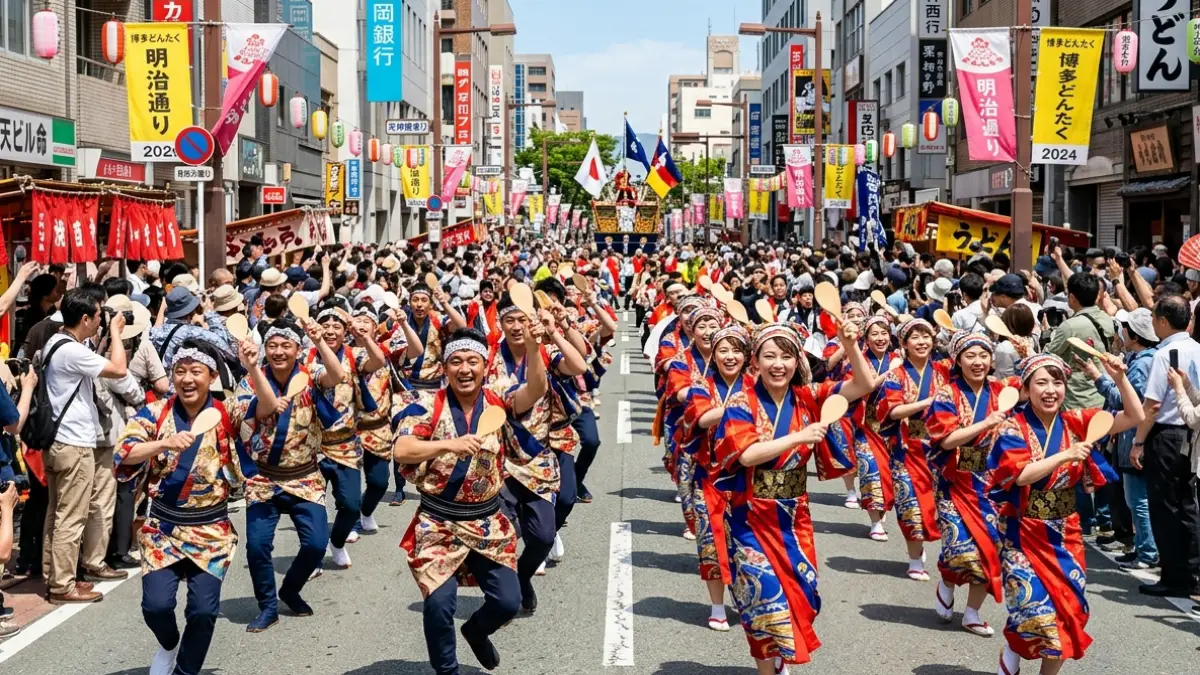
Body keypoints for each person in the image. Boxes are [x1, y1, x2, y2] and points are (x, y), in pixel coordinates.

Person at [713, 319, 875, 674]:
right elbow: (746, 455)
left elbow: (864, 384)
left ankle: (781, 660)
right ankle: (768, 669)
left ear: (797, 360)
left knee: (803, 598)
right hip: (749, 518)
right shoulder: (742, 401)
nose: (778, 364)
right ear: (755, 360)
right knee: (762, 599)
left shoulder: (809, 396)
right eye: (769, 356)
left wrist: (850, 345)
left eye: (786, 356)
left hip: (793, 518)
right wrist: (798, 437)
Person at [394, 329, 544, 675]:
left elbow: (535, 389)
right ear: (445, 368)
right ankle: (447, 670)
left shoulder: (498, 401)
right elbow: (402, 450)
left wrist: (535, 346)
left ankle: (476, 630)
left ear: (484, 365)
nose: (464, 369)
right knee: (439, 605)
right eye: (456, 361)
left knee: (509, 602)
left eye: (472, 361)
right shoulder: (425, 404)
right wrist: (448, 445)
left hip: (487, 521)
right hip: (437, 523)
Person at [988, 353, 1144, 675]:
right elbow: (1020, 475)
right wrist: (1066, 455)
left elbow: (1135, 415)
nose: (1050, 390)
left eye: (1057, 382)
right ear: (1026, 389)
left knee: (1067, 612)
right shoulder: (1011, 429)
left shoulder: (1075, 422)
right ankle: (1015, 647)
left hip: (1065, 534)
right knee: (1035, 610)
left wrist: (1119, 378)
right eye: (1041, 382)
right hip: (1022, 532)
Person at [115, 340, 259, 675]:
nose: (187, 378)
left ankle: (186, 670)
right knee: (156, 606)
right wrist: (162, 443)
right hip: (163, 527)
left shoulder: (226, 412)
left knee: (203, 611)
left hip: (211, 529)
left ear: (211, 377)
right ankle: (168, 644)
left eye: (196, 371)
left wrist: (252, 366)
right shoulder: (155, 413)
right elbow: (122, 454)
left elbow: (263, 410)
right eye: (180, 371)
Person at [238, 318, 342, 632]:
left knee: (315, 544)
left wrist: (319, 340)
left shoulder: (311, 375)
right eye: (272, 345)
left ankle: (291, 588)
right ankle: (268, 607)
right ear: (264, 349)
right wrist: (260, 383)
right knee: (257, 547)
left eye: (286, 345)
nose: (279, 351)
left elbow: (337, 375)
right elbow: (245, 417)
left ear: (298, 349)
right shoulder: (249, 380)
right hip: (264, 479)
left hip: (305, 476)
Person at [41, 286, 131, 604]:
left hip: (57, 442)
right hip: (74, 443)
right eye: (97, 316)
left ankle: (57, 577)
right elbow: (119, 370)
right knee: (71, 516)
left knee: (57, 514)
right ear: (84, 318)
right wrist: (118, 334)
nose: (100, 321)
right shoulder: (72, 350)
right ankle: (63, 585)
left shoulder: (57, 342)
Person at [924, 332, 1010, 637]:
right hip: (955, 481)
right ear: (958, 360)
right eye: (970, 356)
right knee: (960, 548)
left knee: (991, 549)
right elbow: (945, 439)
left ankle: (972, 613)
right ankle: (947, 580)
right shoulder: (947, 394)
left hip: (993, 482)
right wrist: (985, 424)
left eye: (984, 355)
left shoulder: (1002, 391)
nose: (978, 362)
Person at [308, 302, 387, 569]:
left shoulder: (354, 355)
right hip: (311, 447)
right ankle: (313, 556)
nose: (330, 331)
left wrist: (364, 337)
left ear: (345, 332)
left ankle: (337, 541)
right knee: (311, 508)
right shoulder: (305, 358)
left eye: (336, 327)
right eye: (325, 326)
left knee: (351, 506)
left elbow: (378, 361)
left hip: (345, 445)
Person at [681, 322, 749, 631]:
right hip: (710, 477)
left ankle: (750, 598)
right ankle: (717, 605)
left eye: (737, 350)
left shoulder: (759, 384)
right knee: (710, 543)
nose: (730, 356)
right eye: (723, 350)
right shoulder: (701, 385)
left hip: (751, 479)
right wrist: (742, 404)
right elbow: (704, 418)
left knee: (748, 545)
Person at [1131, 295, 1200, 599]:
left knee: (1165, 506)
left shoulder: (1165, 354)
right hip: (1193, 433)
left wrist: (1138, 442)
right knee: (1188, 504)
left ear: (1162, 321)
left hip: (1168, 435)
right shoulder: (1197, 348)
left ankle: (1174, 575)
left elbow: (1152, 407)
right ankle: (1191, 570)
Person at [876, 318, 949, 581]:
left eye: (926, 336)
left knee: (943, 506)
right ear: (904, 344)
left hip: (942, 450)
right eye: (915, 337)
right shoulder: (896, 375)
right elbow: (893, 410)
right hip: (907, 451)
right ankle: (915, 558)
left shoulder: (944, 370)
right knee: (911, 506)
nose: (922, 342)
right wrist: (928, 401)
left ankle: (951, 557)